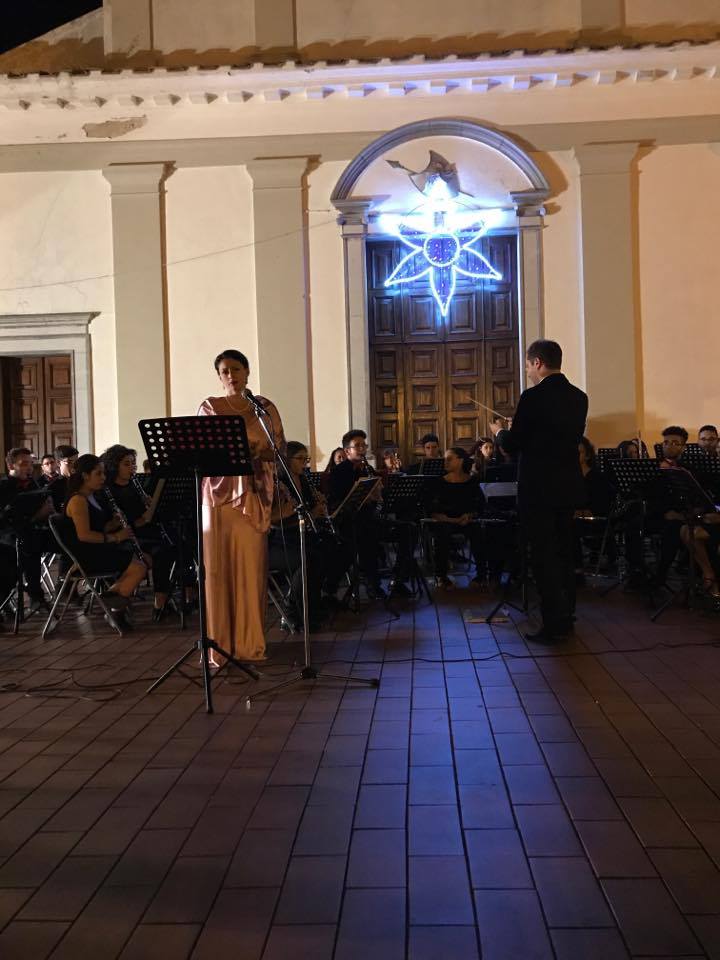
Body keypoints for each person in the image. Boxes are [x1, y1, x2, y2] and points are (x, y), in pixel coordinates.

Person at [198, 349, 285, 665]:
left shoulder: (264, 408)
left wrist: (257, 453)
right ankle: (218, 647)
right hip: (217, 498)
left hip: (251, 494)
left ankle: (249, 644)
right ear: (218, 376)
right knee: (218, 573)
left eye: (236, 368)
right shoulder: (210, 407)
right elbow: (204, 452)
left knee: (250, 570)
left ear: (247, 372)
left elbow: (278, 451)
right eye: (224, 370)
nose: (230, 375)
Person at [507, 340, 588, 642]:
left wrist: (500, 432)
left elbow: (514, 444)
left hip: (538, 488)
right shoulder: (579, 397)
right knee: (565, 553)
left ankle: (553, 622)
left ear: (538, 362)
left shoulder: (532, 397)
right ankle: (567, 615)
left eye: (528, 365)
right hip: (566, 486)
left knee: (543, 556)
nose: (528, 371)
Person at [98, 444, 178, 620]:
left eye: (133, 464)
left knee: (170, 546)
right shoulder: (108, 490)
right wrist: (139, 521)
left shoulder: (135, 484)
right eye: (126, 464)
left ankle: (160, 602)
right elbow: (116, 522)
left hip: (145, 533)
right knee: (160, 552)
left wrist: (149, 504)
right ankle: (158, 603)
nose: (132, 468)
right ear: (115, 466)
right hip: (127, 536)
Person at [63, 454, 148, 617]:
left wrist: (113, 524)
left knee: (143, 561)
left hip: (97, 549)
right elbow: (84, 535)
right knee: (139, 568)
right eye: (98, 474)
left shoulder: (92, 496)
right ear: (85, 476)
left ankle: (112, 602)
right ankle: (112, 606)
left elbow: (98, 527)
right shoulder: (78, 501)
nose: (103, 478)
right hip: (86, 556)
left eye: (103, 473)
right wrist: (117, 537)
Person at [0, 447, 54, 608]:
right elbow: (5, 521)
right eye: (24, 464)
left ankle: (61, 587)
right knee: (27, 546)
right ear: (11, 466)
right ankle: (34, 595)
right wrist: (37, 515)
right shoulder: (3, 487)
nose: (29, 468)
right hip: (7, 537)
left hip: (30, 532)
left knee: (64, 541)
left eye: (31, 464)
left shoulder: (32, 484)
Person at [425, 447, 485, 590]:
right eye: (445, 459)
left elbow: (480, 506)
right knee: (443, 532)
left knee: (477, 530)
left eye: (449, 459)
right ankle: (441, 575)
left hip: (466, 520)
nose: (445, 462)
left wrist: (469, 515)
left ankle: (481, 575)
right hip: (444, 521)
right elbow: (432, 512)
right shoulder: (438, 482)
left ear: (460, 460)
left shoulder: (472, 481)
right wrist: (454, 520)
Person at [48, 444, 79, 512]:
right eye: (70, 462)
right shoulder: (53, 487)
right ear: (58, 463)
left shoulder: (80, 482)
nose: (74, 466)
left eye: (76, 462)